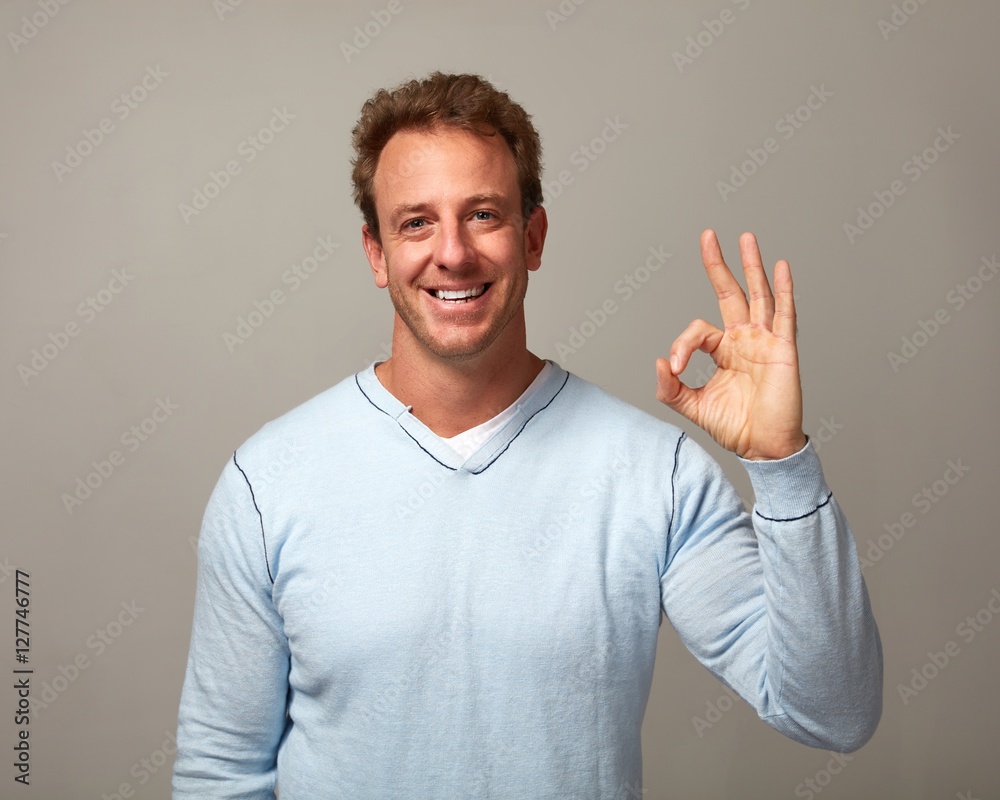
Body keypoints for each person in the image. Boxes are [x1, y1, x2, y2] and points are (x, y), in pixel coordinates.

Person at [172, 72, 882, 799]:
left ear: (533, 237)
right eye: (416, 223)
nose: (453, 253)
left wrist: (781, 463)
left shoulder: (655, 475)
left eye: (483, 214)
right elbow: (220, 774)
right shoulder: (269, 480)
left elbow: (833, 712)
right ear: (377, 252)